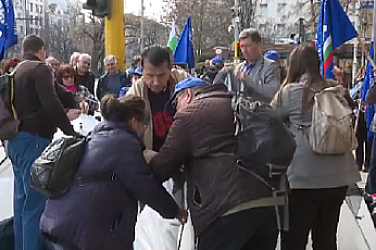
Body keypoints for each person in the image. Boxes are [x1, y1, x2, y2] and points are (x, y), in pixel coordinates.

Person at [40, 94, 187, 250]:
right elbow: (144, 185)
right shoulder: (123, 143)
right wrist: (175, 211)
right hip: (81, 230)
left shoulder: (98, 135)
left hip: (63, 222)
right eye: (144, 125)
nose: (143, 131)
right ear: (133, 120)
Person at [150, 77, 279, 250]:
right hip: (268, 206)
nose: (174, 112)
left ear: (187, 95)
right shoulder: (239, 103)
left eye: (175, 103)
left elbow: (162, 167)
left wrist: (145, 158)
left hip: (224, 213)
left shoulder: (189, 116)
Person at [270, 46, 360, 250]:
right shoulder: (334, 90)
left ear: (294, 66)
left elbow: (269, 122)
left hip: (303, 179)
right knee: (326, 239)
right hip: (339, 178)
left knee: (294, 240)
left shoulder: (289, 92)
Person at [8, 35, 85, 250]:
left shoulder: (17, 70)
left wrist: (78, 101)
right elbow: (51, 102)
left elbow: (57, 93)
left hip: (15, 141)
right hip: (34, 139)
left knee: (22, 203)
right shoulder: (39, 69)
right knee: (35, 205)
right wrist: (70, 132)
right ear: (41, 50)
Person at [235, 28, 280, 102]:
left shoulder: (270, 66)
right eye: (242, 46)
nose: (244, 51)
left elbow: (273, 93)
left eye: (248, 46)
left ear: (258, 45)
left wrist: (248, 81)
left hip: (260, 111)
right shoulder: (239, 67)